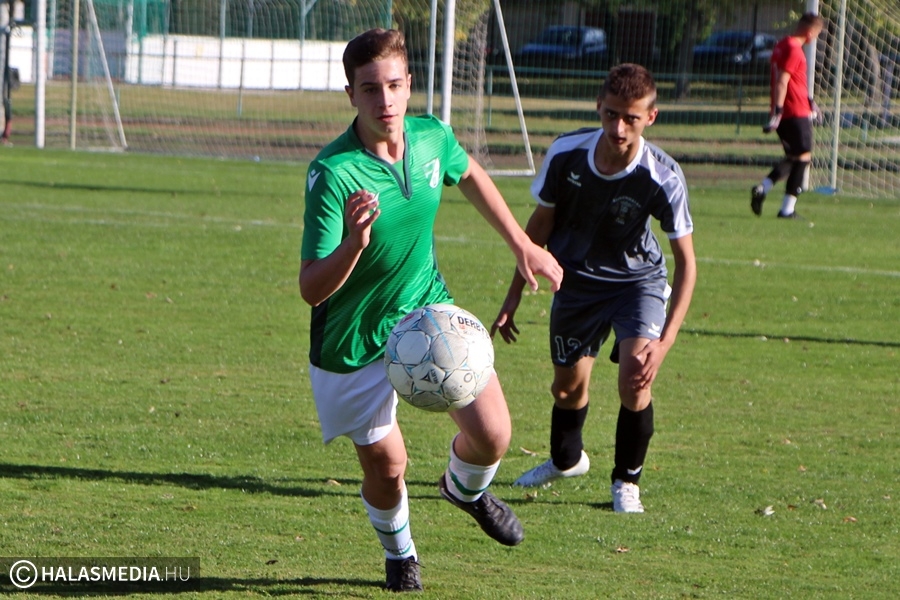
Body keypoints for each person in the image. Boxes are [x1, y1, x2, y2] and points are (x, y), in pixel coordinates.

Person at [298, 28, 563, 592]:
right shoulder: (333, 174)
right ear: (351, 94)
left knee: (493, 435)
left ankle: (463, 489)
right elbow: (311, 290)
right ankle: (401, 554)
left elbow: (467, 174)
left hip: (426, 311)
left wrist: (521, 243)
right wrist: (353, 243)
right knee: (388, 468)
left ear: (409, 85)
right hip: (353, 340)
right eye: (370, 89)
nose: (384, 101)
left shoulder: (430, 138)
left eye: (394, 85)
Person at [492, 63, 696, 514]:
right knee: (567, 390)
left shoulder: (663, 174)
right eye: (610, 115)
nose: (618, 128)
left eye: (631, 118)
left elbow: (687, 263)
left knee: (634, 381)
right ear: (598, 107)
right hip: (575, 282)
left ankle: (626, 480)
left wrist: (665, 343)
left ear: (651, 117)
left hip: (636, 284)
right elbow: (539, 226)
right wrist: (513, 293)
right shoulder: (566, 154)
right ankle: (566, 461)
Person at [751, 12, 825, 219]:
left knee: (793, 157)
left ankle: (763, 189)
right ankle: (787, 209)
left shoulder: (782, 44)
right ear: (810, 33)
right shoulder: (794, 49)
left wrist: (809, 101)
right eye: (817, 34)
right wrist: (780, 109)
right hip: (794, 112)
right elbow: (783, 81)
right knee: (803, 157)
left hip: (791, 110)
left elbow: (791, 81)